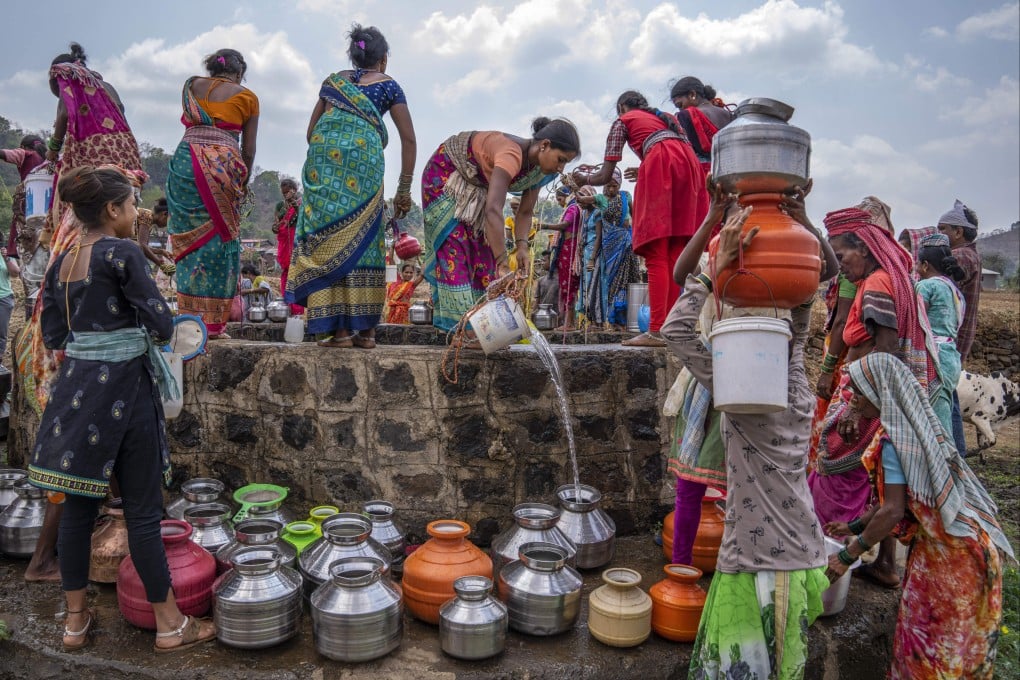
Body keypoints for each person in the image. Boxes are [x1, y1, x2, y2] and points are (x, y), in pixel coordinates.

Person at [26, 166, 215, 652]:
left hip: (74, 394)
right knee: (143, 513)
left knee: (77, 511)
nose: (136, 213)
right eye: (132, 204)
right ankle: (171, 625)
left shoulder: (64, 260)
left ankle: (74, 623)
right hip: (124, 393)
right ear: (112, 210)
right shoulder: (124, 252)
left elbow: (53, 335)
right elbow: (160, 321)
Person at [663, 201, 827, 680]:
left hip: (752, 564)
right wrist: (802, 222)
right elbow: (803, 312)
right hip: (802, 555)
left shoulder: (736, 395)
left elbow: (676, 331)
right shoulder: (796, 386)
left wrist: (713, 271)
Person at [826, 352, 1012, 680]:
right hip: (969, 551)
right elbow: (896, 502)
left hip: (951, 564)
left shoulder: (894, 442)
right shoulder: (914, 431)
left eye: (858, 390)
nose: (854, 400)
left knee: (931, 660)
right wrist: (853, 525)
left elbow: (894, 510)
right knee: (956, 659)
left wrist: (846, 555)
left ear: (879, 390)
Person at [809, 206, 939, 588]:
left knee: (838, 474)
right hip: (865, 396)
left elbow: (885, 352)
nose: (839, 263)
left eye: (842, 253)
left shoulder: (877, 285)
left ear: (863, 248)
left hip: (865, 401)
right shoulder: (880, 280)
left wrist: (856, 406)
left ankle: (823, 561)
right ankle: (842, 541)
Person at [287, 25, 416, 349]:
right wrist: (403, 189)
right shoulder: (389, 86)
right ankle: (367, 333)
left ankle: (339, 333)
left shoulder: (332, 84)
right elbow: (408, 139)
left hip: (325, 173)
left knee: (327, 239)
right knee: (366, 240)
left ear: (353, 57)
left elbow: (311, 132)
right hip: (365, 172)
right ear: (383, 60)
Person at [422, 118, 580, 338]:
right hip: (447, 175)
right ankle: (464, 332)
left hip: (478, 186)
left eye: (566, 164)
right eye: (560, 159)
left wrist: (522, 246)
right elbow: (493, 210)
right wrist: (503, 263)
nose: (561, 168)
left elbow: (524, 212)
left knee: (483, 255)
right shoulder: (510, 154)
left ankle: (484, 330)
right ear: (544, 145)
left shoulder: (540, 170)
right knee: (455, 250)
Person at [574, 90, 708, 347]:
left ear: (622, 107)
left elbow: (605, 175)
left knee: (656, 251)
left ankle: (656, 330)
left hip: (661, 164)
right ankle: (672, 328)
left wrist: (585, 180)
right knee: (677, 251)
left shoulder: (622, 121)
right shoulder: (667, 117)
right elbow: (677, 149)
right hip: (689, 168)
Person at [166, 48, 259, 341]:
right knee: (221, 240)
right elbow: (249, 149)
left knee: (188, 240)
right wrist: (241, 183)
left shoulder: (192, 86)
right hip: (223, 166)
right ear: (239, 72)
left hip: (185, 161)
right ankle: (215, 326)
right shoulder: (247, 97)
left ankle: (189, 321)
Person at [938, 200, 981, 456]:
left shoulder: (961, 256)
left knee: (947, 395)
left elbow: (942, 283)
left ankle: (956, 454)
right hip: (955, 339)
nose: (939, 233)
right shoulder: (970, 254)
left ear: (958, 232)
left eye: (943, 229)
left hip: (949, 339)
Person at [915, 233, 967, 440]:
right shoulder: (953, 290)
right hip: (951, 357)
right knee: (943, 413)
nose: (917, 268)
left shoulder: (926, 286)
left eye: (918, 264)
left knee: (936, 424)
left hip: (933, 357)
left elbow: (916, 321)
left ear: (926, 265)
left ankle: (946, 467)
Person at [584, 168, 638, 329]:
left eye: (615, 186)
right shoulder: (600, 199)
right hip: (609, 247)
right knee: (612, 283)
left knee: (628, 281)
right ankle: (613, 320)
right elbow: (584, 200)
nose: (611, 189)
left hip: (626, 244)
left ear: (620, 184)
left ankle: (625, 321)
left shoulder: (626, 196)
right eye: (608, 186)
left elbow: (636, 217)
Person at [540, 184, 593, 330]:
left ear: (567, 196)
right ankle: (568, 322)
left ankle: (569, 323)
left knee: (568, 284)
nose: (559, 202)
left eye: (559, 198)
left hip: (570, 247)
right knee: (568, 284)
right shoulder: (576, 208)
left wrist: (544, 226)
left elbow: (565, 225)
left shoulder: (573, 208)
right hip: (569, 246)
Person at [669, 76, 733, 174]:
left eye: (679, 105)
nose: (680, 110)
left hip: (704, 176)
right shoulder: (729, 114)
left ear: (692, 94)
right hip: (731, 170)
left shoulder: (687, 115)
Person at [1, 135, 47, 253]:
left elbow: (4, 154)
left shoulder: (25, 154)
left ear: (22, 147)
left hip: (27, 207)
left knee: (25, 243)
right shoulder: (50, 160)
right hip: (47, 207)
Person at [273, 179, 303, 315]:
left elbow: (303, 217)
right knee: (286, 272)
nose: (285, 195)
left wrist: (294, 204)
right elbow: (275, 226)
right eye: (283, 193)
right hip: (284, 241)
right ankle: (288, 306)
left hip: (296, 240)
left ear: (294, 189)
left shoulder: (301, 202)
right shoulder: (280, 205)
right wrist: (278, 223)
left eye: (287, 192)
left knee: (297, 273)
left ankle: (298, 309)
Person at [135, 197, 173, 270]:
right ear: (164, 214)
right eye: (169, 221)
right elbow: (142, 245)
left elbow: (143, 248)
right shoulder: (147, 215)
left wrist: (161, 251)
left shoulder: (149, 224)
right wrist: (160, 263)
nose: (167, 225)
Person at [0, 244, 17, 365]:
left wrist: (6, 258)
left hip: (4, 298)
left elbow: (15, 273)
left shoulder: (6, 253)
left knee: (1, 333)